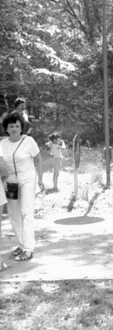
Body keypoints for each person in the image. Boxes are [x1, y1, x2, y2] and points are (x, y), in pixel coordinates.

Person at [1, 112, 44, 262]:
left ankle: (28, 249)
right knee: (13, 214)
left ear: (21, 128)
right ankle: (21, 244)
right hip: (10, 182)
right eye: (10, 126)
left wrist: (40, 179)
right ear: (6, 128)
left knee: (26, 212)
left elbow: (38, 158)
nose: (13, 129)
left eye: (17, 126)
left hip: (27, 179)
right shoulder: (2, 144)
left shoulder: (29, 141)